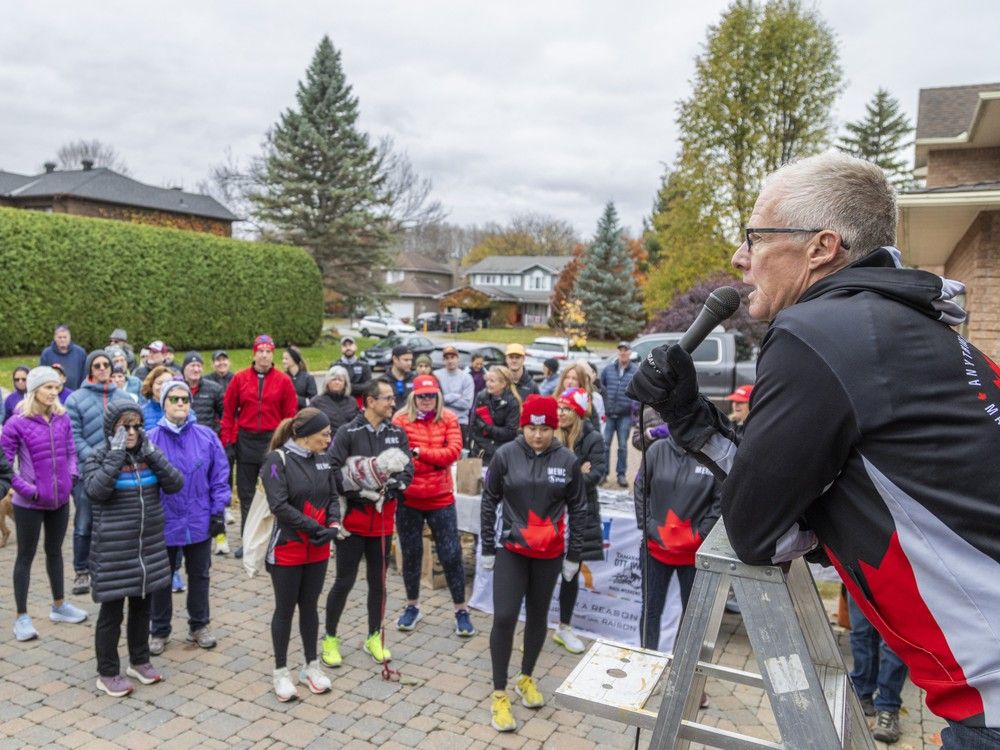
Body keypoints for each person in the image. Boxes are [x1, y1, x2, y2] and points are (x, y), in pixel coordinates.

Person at [626, 150, 1000, 748]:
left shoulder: (817, 331)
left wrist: (693, 425)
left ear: (821, 248)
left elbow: (761, 534)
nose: (739, 257)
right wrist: (692, 418)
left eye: (755, 236)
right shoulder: (907, 326)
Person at [481, 395, 586, 733]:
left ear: (554, 427)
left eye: (544, 428)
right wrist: (486, 545)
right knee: (507, 615)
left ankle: (525, 677)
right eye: (531, 428)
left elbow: (579, 508)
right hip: (512, 550)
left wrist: (574, 554)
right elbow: (490, 499)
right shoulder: (505, 455)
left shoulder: (567, 459)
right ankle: (499, 694)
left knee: (539, 618)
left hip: (549, 555)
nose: (537, 435)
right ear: (522, 426)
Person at [82, 400, 183, 697]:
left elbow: (175, 483)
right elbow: (96, 491)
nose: (130, 431)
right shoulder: (97, 457)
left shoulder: (148, 455)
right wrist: (115, 456)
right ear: (110, 428)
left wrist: (152, 454)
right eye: (123, 426)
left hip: (148, 549)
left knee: (142, 608)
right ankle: (107, 671)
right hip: (113, 551)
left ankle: (139, 661)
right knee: (112, 613)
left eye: (136, 426)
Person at [323, 379, 413, 668]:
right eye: (386, 398)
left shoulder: (396, 432)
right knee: (344, 582)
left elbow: (408, 468)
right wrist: (356, 488)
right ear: (369, 401)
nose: (392, 403)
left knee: (379, 582)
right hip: (353, 521)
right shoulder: (348, 432)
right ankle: (330, 638)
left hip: (384, 522)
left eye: (392, 398)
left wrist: (397, 484)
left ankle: (374, 636)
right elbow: (332, 468)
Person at [260, 407, 341, 701]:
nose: (329, 438)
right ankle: (280, 672)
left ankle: (310, 666)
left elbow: (333, 496)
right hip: (288, 548)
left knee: (310, 606)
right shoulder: (276, 460)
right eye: (325, 434)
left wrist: (332, 524)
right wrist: (313, 527)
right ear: (305, 436)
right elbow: (279, 505)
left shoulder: (323, 459)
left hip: (317, 547)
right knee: (285, 609)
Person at [2, 367, 89, 642]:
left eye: (56, 387)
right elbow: (4, 465)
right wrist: (28, 490)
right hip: (29, 503)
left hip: (60, 500)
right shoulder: (17, 422)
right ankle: (21, 618)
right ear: (34, 390)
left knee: (54, 552)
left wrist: (72, 477)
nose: (54, 392)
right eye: (47, 387)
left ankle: (59, 606)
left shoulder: (62, 418)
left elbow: (71, 452)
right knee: (25, 557)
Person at [147, 380, 230, 656]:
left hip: (198, 519)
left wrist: (218, 510)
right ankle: (159, 629)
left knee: (199, 574)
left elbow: (219, 477)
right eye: (174, 399)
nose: (180, 403)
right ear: (164, 404)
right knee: (161, 578)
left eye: (185, 399)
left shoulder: (206, 437)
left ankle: (199, 625)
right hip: (164, 521)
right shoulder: (151, 439)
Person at [390, 376, 474, 637]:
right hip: (409, 499)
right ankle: (412, 605)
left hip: (440, 498)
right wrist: (426, 458)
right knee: (411, 555)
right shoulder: (400, 420)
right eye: (421, 396)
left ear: (438, 396)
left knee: (451, 555)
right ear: (413, 397)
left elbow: (453, 453)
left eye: (431, 396)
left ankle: (461, 609)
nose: (426, 400)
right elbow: (399, 460)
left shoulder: (448, 418)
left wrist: (420, 453)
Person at [631, 407, 720, 650]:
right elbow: (640, 490)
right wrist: (648, 526)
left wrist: (700, 534)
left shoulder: (712, 459)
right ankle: (646, 664)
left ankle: (682, 674)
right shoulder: (656, 451)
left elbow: (720, 501)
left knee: (692, 618)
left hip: (693, 557)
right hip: (654, 551)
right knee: (650, 610)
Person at [220, 334, 298, 558]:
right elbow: (228, 413)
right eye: (260, 351)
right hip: (246, 443)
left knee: (273, 493)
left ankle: (272, 539)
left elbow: (289, 416)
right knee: (246, 495)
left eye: (268, 351)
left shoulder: (283, 381)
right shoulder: (240, 379)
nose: (264, 355)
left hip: (271, 444)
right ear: (254, 353)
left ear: (272, 354)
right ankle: (248, 540)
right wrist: (229, 441)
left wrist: (284, 445)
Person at [65, 350, 133, 596]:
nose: (103, 368)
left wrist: (115, 461)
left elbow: (131, 431)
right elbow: (74, 437)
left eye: (106, 364)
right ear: (90, 369)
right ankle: (82, 570)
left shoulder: (124, 397)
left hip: (118, 471)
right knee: (85, 524)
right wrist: (97, 461)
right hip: (87, 473)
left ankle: (110, 568)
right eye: (97, 365)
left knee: (115, 523)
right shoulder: (75, 399)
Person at [551, 388, 607, 654]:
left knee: (570, 570)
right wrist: (575, 471)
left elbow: (596, 475)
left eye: (566, 409)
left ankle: (564, 626)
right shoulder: (550, 436)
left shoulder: (593, 437)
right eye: (559, 408)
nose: (560, 413)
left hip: (579, 512)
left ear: (578, 412)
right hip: (550, 512)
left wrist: (559, 477)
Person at [848, 593, 909, 744]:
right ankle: (860, 694)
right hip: (859, 569)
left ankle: (888, 705)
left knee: (893, 636)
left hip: (900, 571)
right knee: (861, 631)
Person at [600, 342, 638, 488]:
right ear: (617, 352)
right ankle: (603, 473)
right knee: (605, 445)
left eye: (626, 350)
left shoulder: (635, 371)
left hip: (625, 416)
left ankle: (621, 475)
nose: (623, 353)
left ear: (630, 353)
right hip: (609, 414)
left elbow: (639, 392)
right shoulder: (608, 369)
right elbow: (601, 387)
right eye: (620, 350)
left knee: (622, 446)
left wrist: (635, 410)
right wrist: (605, 404)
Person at [469, 366, 522, 463]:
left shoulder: (513, 402)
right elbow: (473, 424)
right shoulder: (481, 396)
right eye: (487, 380)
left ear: (503, 384)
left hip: (501, 453)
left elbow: (510, 432)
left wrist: (487, 428)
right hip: (480, 450)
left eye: (492, 381)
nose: (488, 384)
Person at [433, 345, 474, 447]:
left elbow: (467, 404)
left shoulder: (467, 378)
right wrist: (454, 396)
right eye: (447, 358)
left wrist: (444, 398)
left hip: (460, 422)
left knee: (460, 457)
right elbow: (435, 401)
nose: (450, 361)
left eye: (452, 357)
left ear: (457, 358)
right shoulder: (436, 375)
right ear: (443, 360)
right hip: (440, 421)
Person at [181, 352, 224, 433]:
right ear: (184, 368)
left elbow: (225, 414)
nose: (196, 369)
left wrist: (215, 432)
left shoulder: (215, 388)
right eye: (192, 366)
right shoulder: (177, 388)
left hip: (207, 438)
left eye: (199, 366)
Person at [556, 361, 604, 430]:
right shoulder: (555, 398)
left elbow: (598, 428)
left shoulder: (588, 403)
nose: (570, 382)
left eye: (574, 379)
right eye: (567, 377)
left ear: (581, 382)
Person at [310, 365, 359, 431]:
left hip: (348, 438)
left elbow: (357, 424)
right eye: (333, 379)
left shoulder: (352, 402)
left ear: (345, 384)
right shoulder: (316, 402)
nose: (337, 382)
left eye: (340, 380)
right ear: (327, 382)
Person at [39, 324, 87, 389]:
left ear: (69, 337)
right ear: (55, 338)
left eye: (65, 337)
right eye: (60, 337)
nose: (62, 340)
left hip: (76, 392)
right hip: (53, 393)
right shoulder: (46, 353)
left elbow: (84, 375)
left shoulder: (80, 352)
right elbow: (42, 375)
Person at [330, 335, 372, 408]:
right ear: (341, 348)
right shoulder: (335, 365)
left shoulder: (364, 365)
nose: (348, 347)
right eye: (345, 345)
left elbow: (368, 387)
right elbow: (330, 386)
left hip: (359, 404)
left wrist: (346, 386)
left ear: (355, 347)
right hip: (339, 403)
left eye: (350, 345)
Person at [140, 366, 178, 431]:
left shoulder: (185, 410)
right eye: (159, 383)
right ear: (151, 385)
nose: (164, 386)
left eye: (168, 383)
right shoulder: (141, 412)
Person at [385, 345, 415, 411]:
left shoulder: (415, 379)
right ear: (395, 359)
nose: (409, 363)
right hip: (390, 419)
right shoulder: (383, 381)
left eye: (411, 360)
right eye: (406, 360)